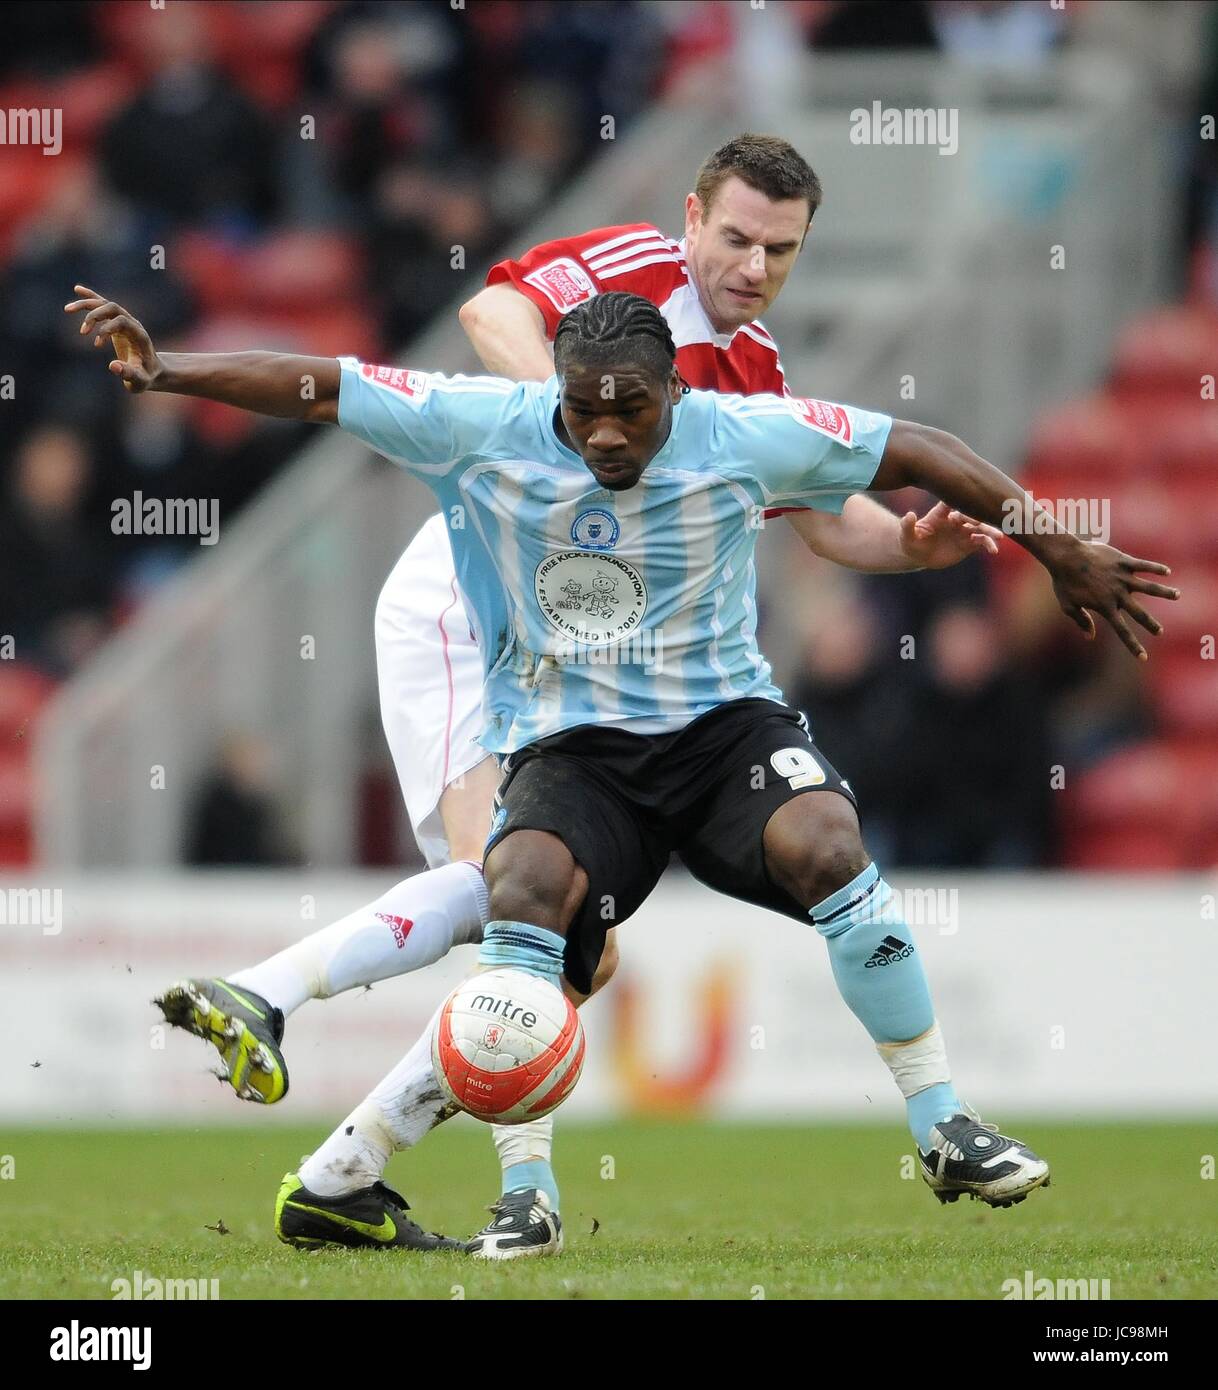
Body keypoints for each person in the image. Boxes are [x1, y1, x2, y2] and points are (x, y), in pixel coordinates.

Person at [65, 283, 1177, 1257]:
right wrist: (171, 372)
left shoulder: (746, 432)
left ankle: (943, 1127)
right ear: (554, 384)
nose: (602, 432)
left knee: (828, 846)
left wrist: (1056, 545)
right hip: (573, 752)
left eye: (629, 408)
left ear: (674, 396)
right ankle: (527, 1197)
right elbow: (317, 384)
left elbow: (923, 449)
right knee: (520, 896)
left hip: (725, 733)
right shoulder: (482, 425)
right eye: (581, 405)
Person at [131, 137, 998, 1252]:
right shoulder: (634, 273)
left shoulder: (752, 371)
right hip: (473, 612)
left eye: (778, 249)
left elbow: (823, 517)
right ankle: (281, 1003)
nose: (751, 264)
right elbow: (494, 311)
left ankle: (349, 1171)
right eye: (734, 236)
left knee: (576, 948)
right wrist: (579, 435)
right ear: (692, 220)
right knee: (505, 894)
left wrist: (908, 549)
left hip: (576, 647)